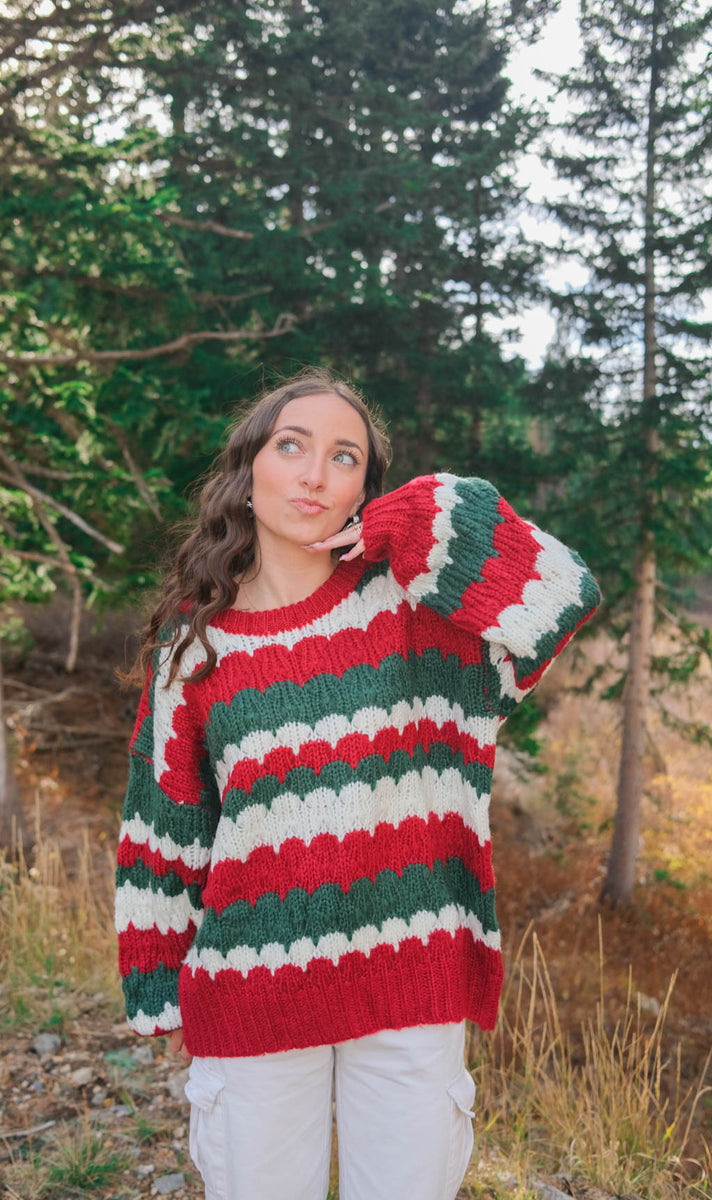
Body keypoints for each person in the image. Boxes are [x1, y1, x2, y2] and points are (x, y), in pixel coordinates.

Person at [115, 370, 600, 1200]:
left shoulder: (420, 612)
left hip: (412, 982)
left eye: (345, 457)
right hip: (252, 990)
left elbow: (563, 595)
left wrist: (418, 522)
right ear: (249, 467)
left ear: (361, 490)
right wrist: (158, 990)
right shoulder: (194, 653)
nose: (313, 474)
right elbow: (165, 827)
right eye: (292, 445)